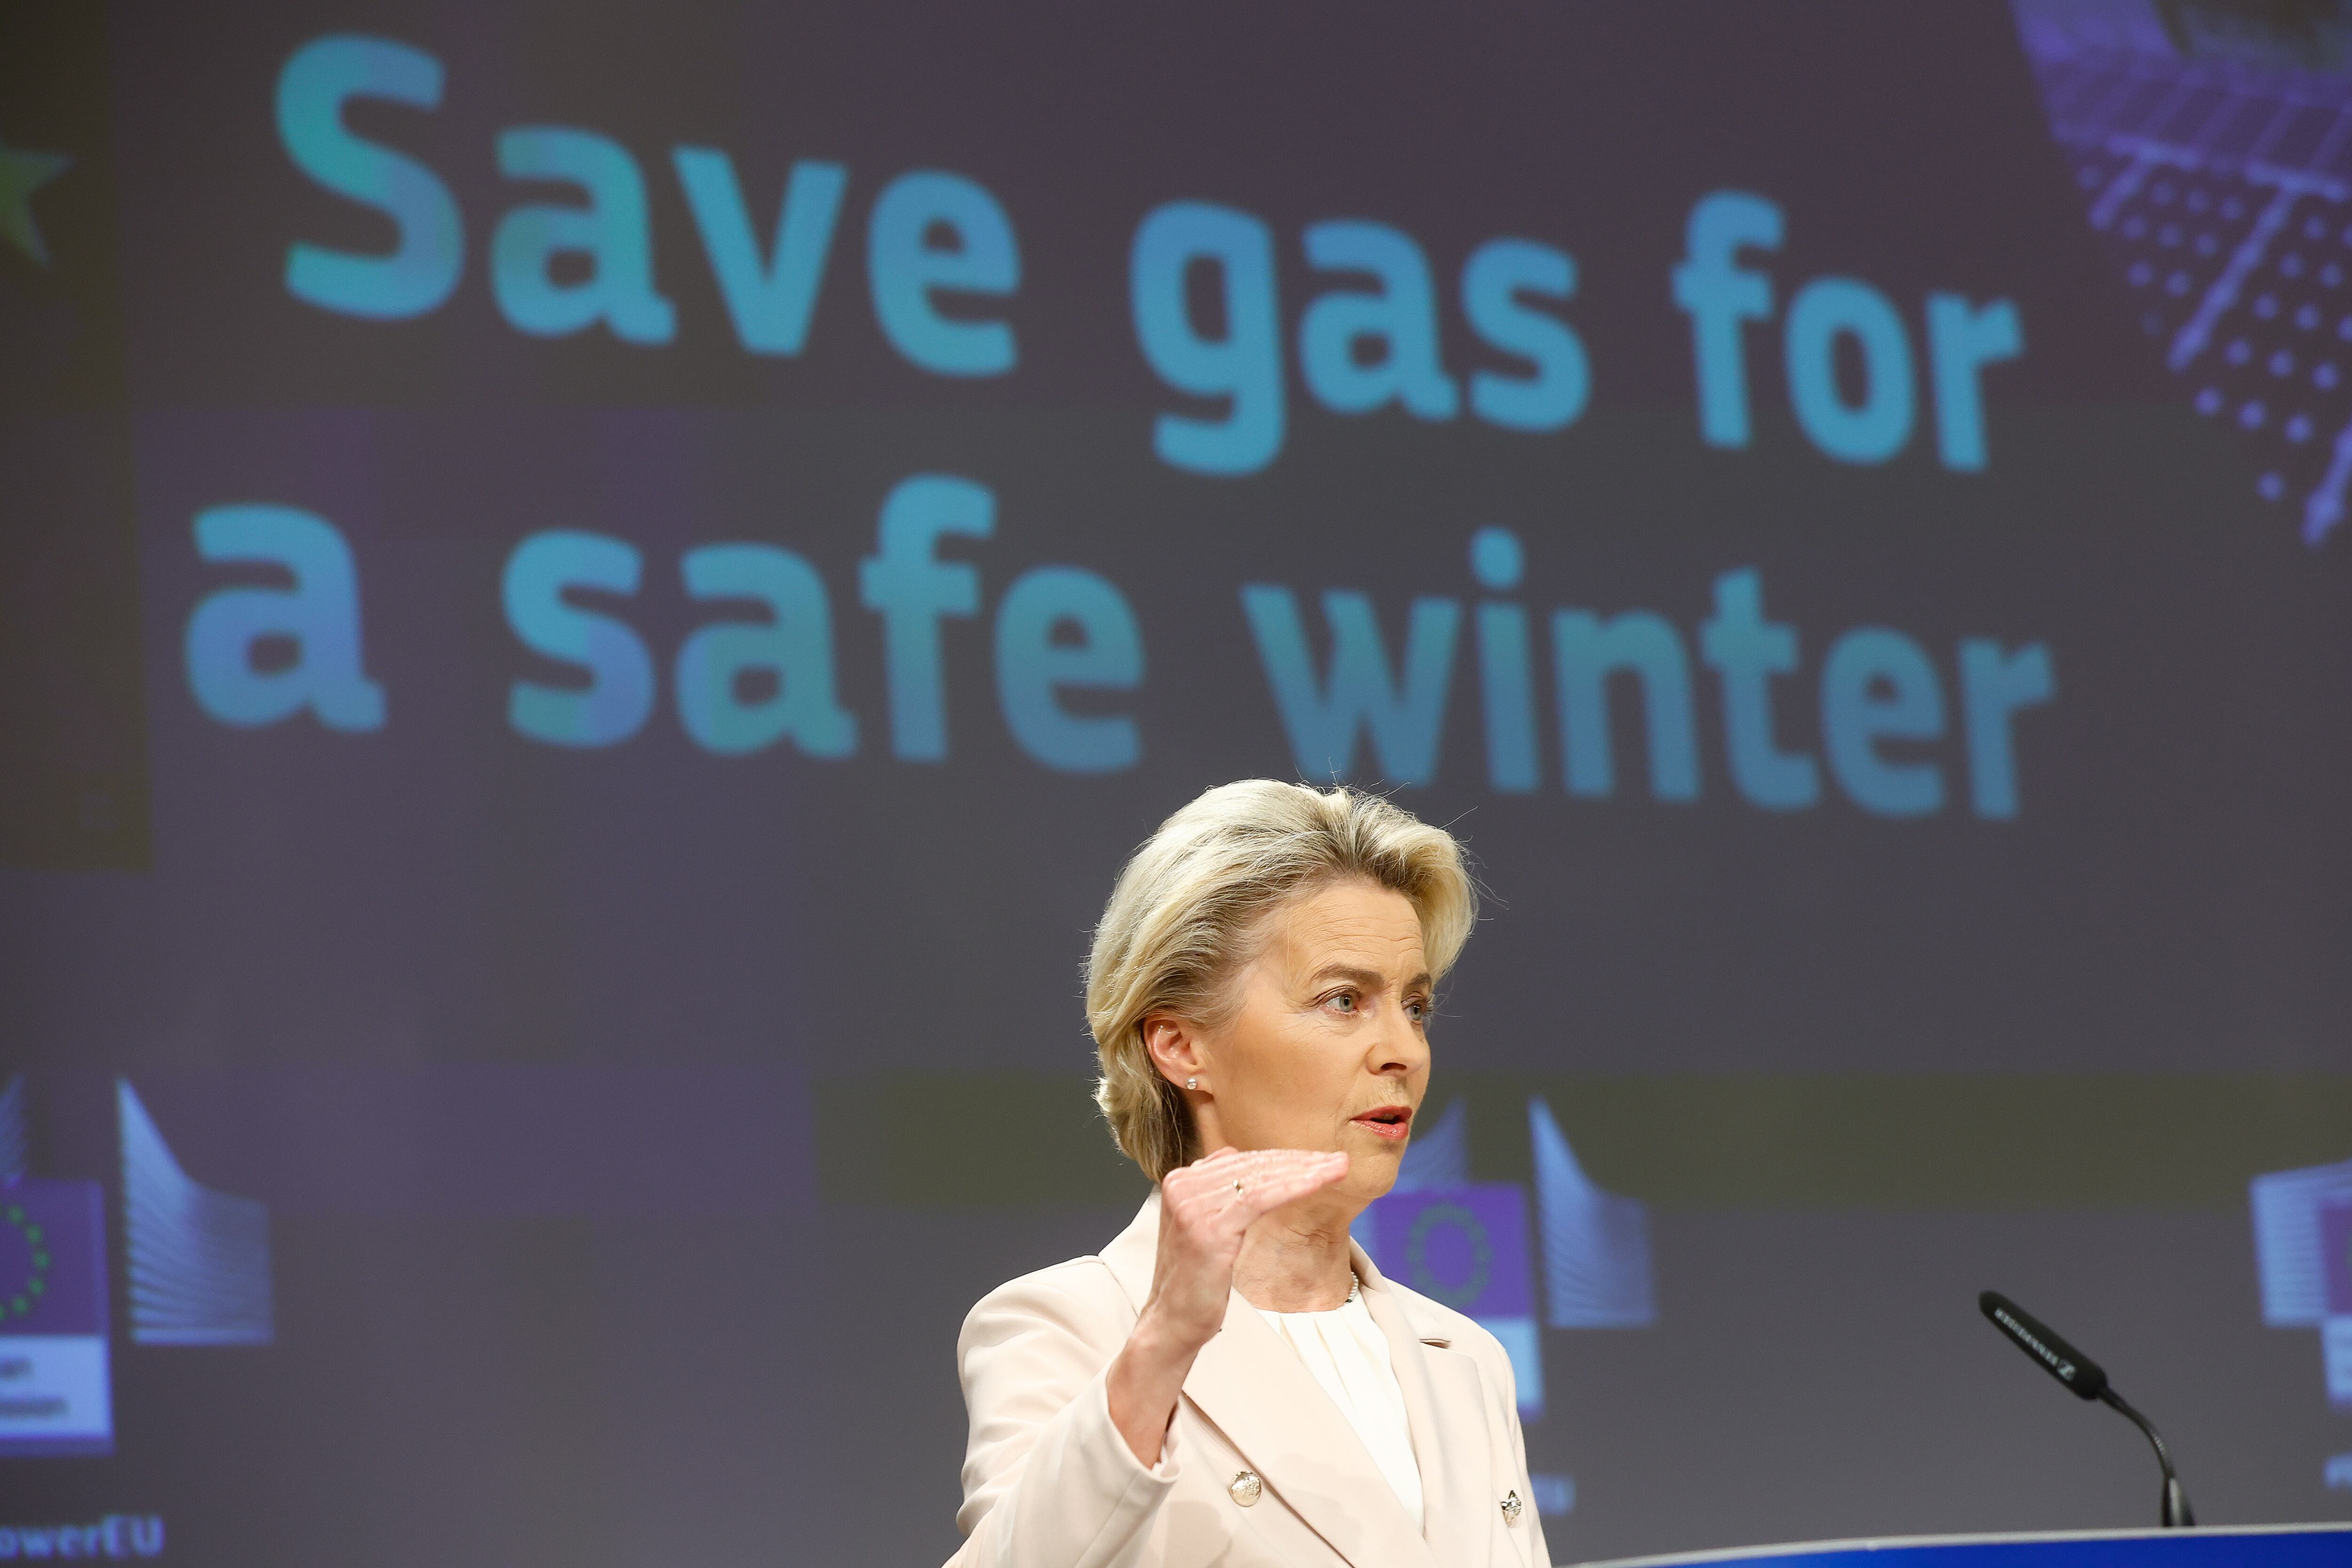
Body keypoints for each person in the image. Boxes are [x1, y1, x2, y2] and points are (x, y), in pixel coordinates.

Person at [945, 780, 1549, 1568]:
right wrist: (1165, 1341)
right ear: (1181, 1046)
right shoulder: (1070, 1326)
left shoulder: (1466, 1359)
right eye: (1343, 1000)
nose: (1403, 1049)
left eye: (1415, 1005)